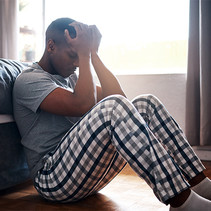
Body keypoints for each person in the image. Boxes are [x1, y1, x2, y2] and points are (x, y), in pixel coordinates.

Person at [13, 17, 211, 211]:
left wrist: (93, 54)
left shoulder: (72, 78)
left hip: (85, 174)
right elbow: (83, 104)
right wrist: (84, 55)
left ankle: (199, 184)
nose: (77, 63)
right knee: (112, 106)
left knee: (145, 104)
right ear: (51, 46)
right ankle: (182, 202)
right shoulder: (29, 80)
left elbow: (121, 99)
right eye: (72, 55)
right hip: (52, 178)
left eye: (79, 57)